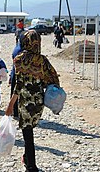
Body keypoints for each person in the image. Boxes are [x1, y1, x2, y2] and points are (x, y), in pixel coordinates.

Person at [5, 30, 60, 172]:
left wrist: (11, 104)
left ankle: (31, 166)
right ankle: (27, 158)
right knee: (29, 131)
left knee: (27, 133)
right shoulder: (43, 60)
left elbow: (18, 85)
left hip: (25, 101)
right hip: (39, 102)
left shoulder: (19, 60)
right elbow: (53, 78)